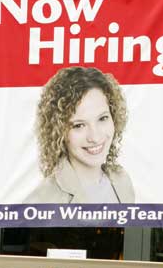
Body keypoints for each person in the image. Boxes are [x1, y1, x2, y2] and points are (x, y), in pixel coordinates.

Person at [24, 66, 135, 204]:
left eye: (102, 118)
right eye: (78, 125)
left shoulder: (121, 180)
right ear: (58, 132)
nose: (95, 137)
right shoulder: (42, 200)